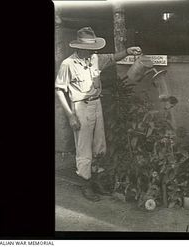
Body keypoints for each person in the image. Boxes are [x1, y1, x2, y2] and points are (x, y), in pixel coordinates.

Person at [55, 27, 142, 202]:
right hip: (80, 107)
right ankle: (86, 184)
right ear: (79, 47)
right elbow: (59, 89)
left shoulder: (94, 58)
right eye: (89, 47)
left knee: (99, 145)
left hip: (96, 104)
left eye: (94, 47)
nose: (93, 50)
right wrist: (71, 116)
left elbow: (112, 58)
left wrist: (127, 51)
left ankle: (97, 181)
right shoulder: (68, 64)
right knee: (84, 148)